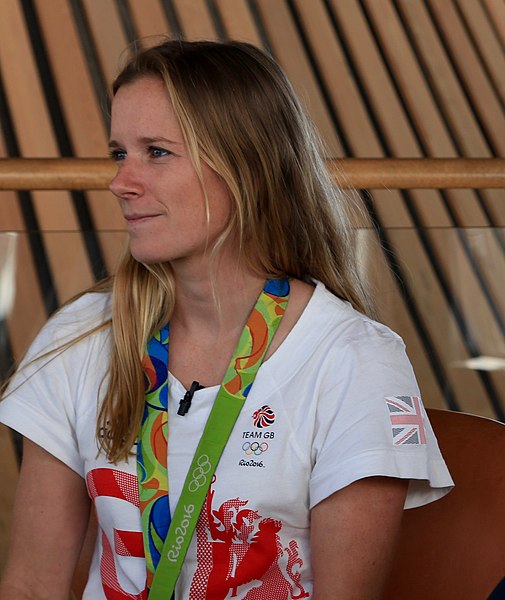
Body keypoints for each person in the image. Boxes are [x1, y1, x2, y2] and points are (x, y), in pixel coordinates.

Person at [0, 39, 453, 600]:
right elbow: (30, 586)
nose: (121, 181)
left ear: (247, 165)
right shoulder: (80, 336)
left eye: (157, 152)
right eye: (120, 153)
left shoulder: (355, 359)